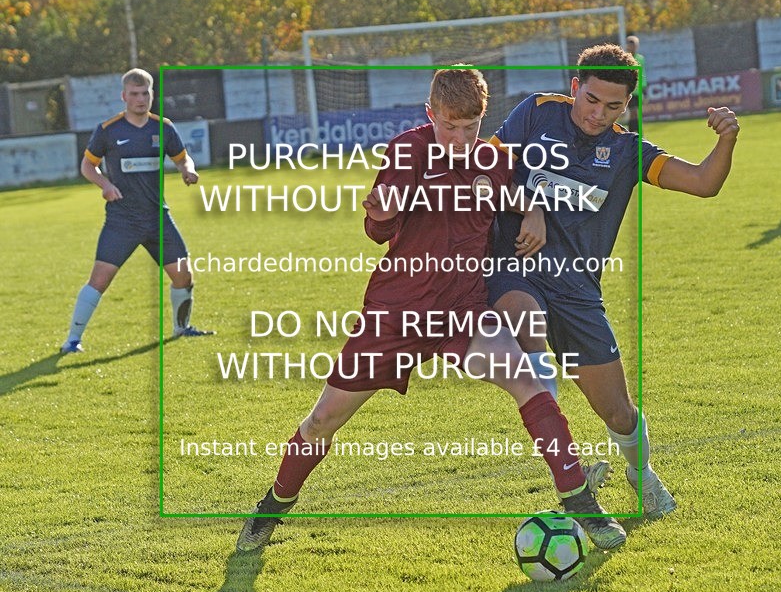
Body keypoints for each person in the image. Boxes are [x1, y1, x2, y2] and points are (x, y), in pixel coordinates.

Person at [236, 67, 626, 553]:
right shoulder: (409, 150)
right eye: (449, 127)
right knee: (321, 422)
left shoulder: (493, 158)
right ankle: (273, 505)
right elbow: (379, 226)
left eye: (471, 127)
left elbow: (508, 193)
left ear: (484, 119)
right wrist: (379, 213)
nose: (460, 139)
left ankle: (578, 500)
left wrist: (533, 211)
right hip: (397, 313)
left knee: (525, 380)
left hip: (462, 308)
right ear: (430, 115)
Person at [487, 44, 739, 520]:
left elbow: (705, 182)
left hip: (578, 292)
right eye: (591, 100)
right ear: (575, 87)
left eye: (613, 106)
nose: (598, 114)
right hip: (515, 269)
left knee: (619, 412)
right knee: (527, 322)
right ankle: (571, 473)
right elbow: (482, 175)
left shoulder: (628, 151)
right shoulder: (536, 112)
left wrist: (725, 140)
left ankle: (641, 476)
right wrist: (531, 206)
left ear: (627, 106)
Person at [61, 68, 214, 353]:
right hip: (122, 220)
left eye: (145, 93)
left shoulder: (164, 127)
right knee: (100, 280)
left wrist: (188, 170)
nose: (141, 99)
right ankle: (71, 341)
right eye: (134, 94)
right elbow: (87, 166)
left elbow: (182, 158)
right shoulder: (108, 130)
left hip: (158, 218)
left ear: (152, 94)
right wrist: (104, 184)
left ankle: (182, 328)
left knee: (184, 275)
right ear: (124, 96)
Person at [625, 35, 646, 133]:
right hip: (629, 90)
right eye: (630, 45)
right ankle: (633, 133)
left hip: (638, 91)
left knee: (636, 113)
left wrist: (644, 87)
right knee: (633, 112)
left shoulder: (640, 58)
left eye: (634, 45)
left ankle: (636, 134)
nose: (632, 47)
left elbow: (643, 73)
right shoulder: (624, 58)